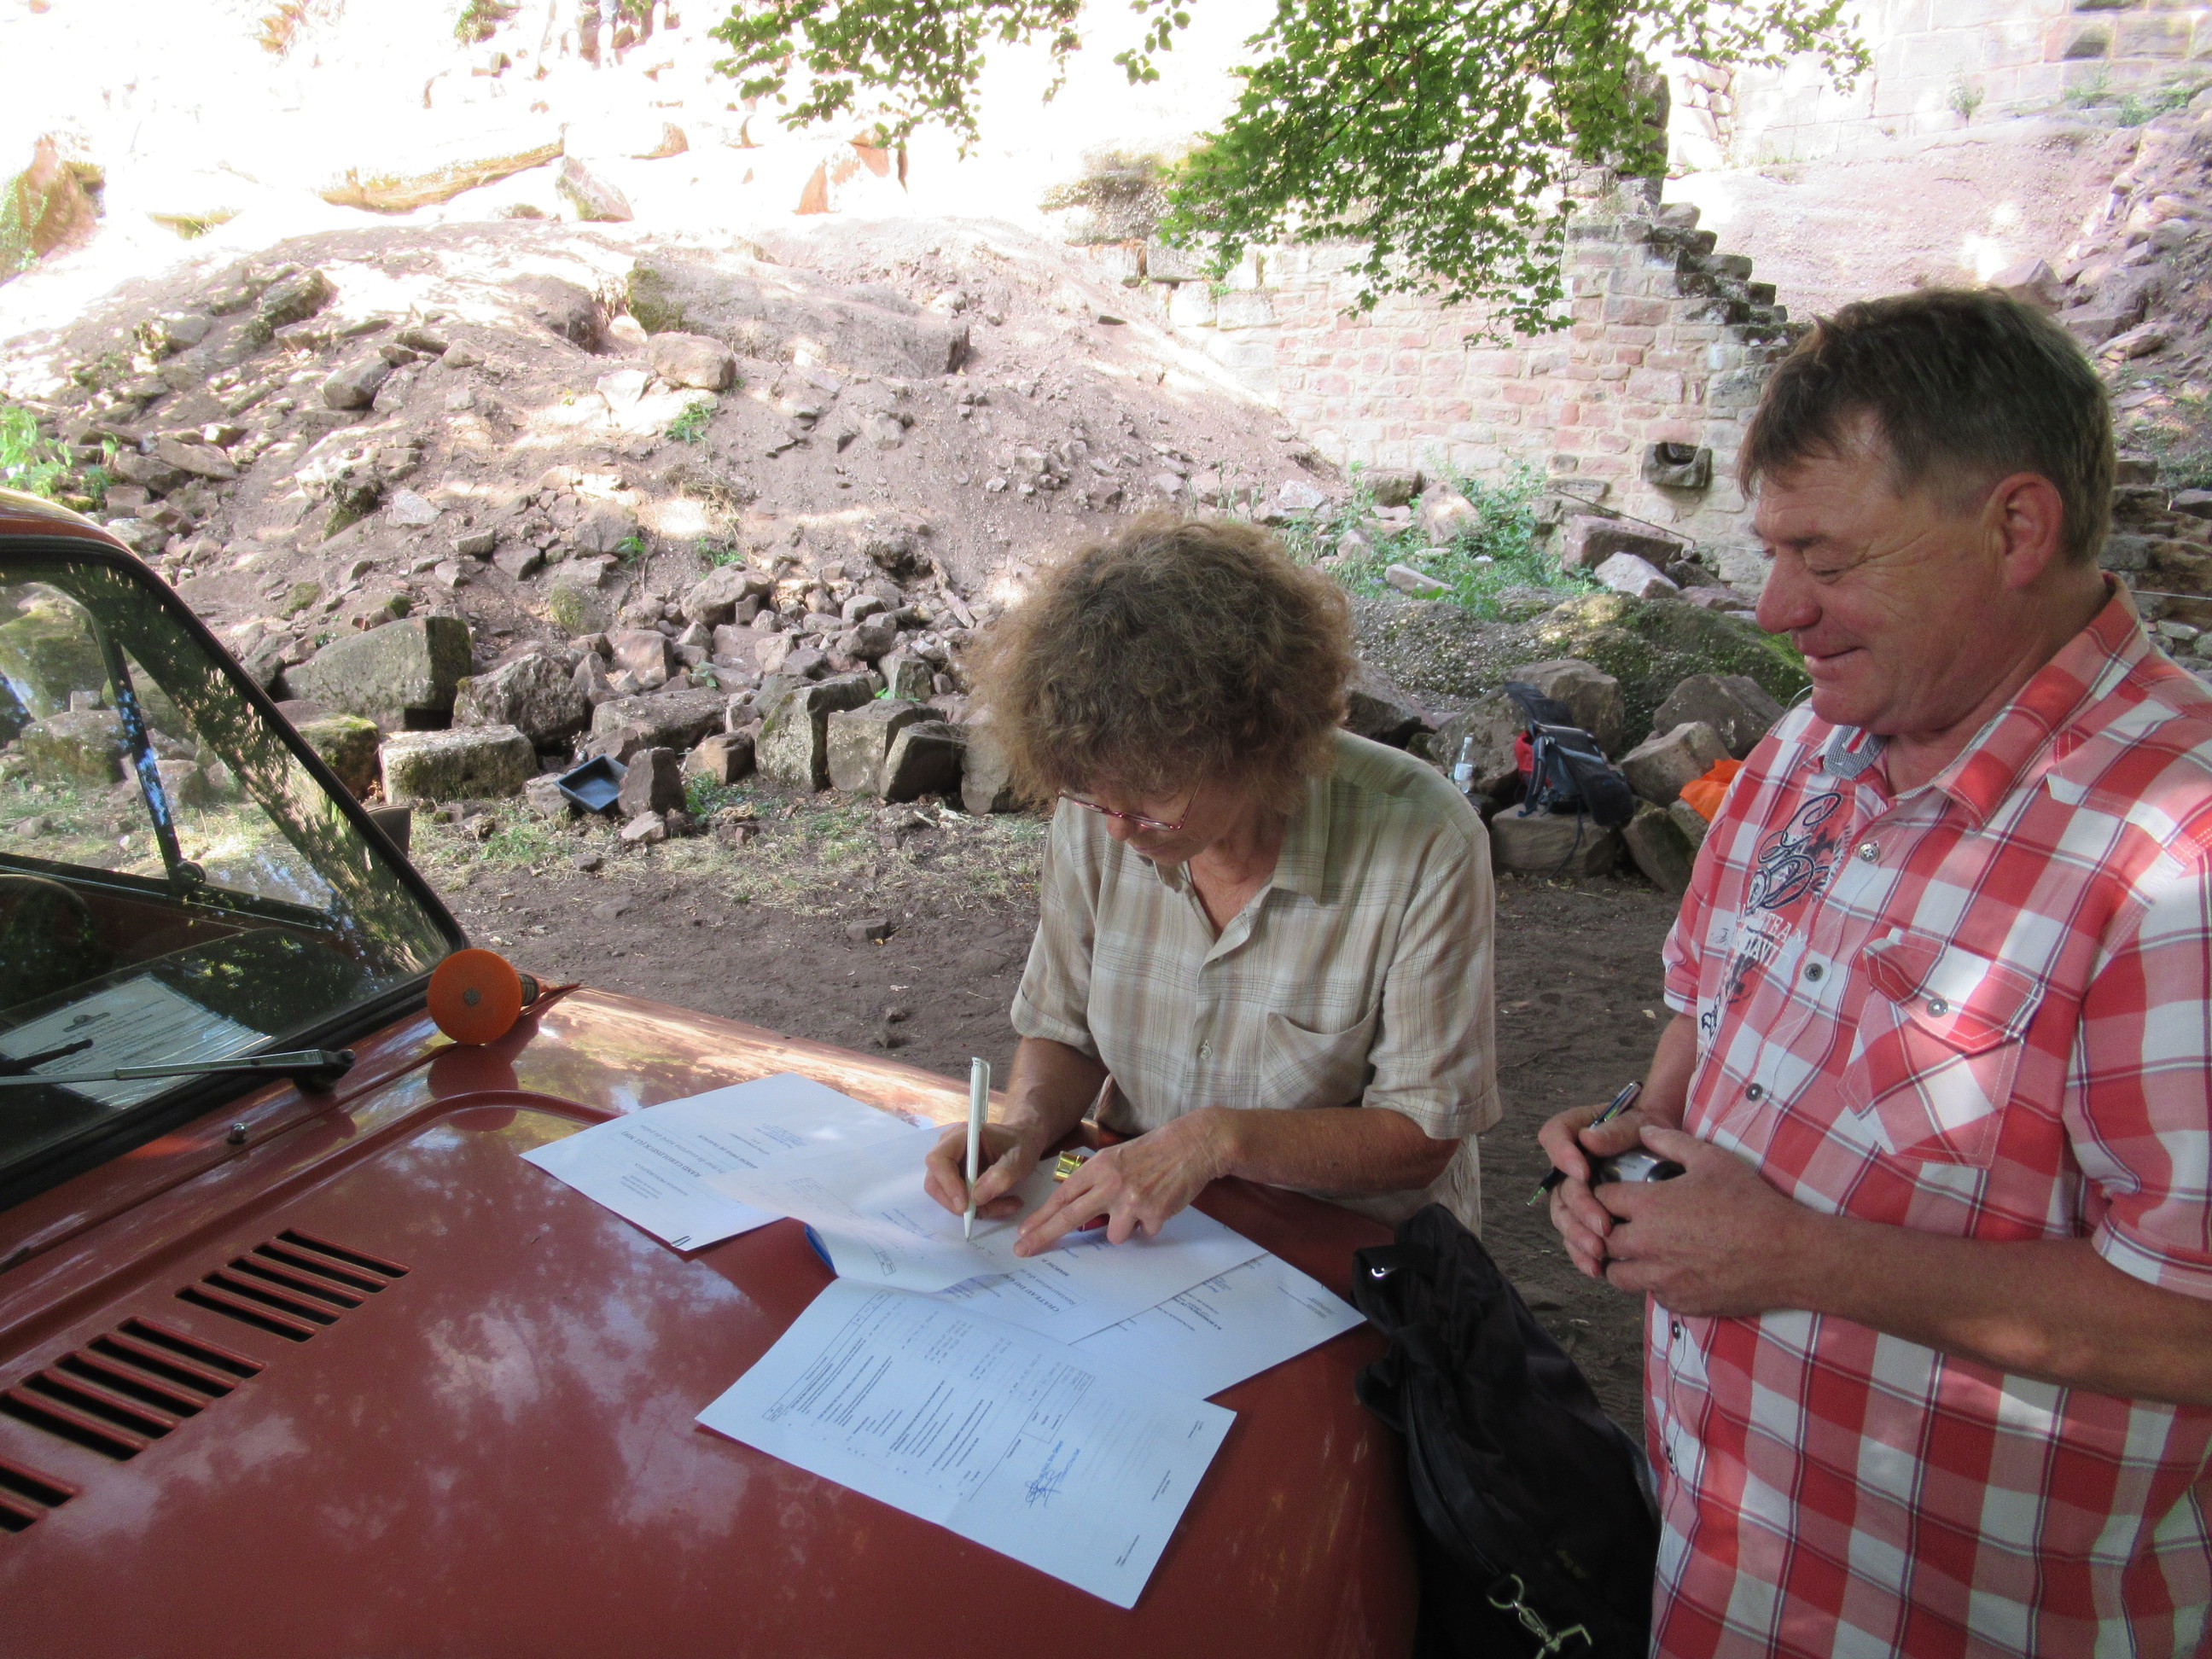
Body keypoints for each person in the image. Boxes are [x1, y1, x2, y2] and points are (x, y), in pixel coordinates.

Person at [1540, 288, 2212, 1656]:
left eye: (1826, 558)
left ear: (2016, 529)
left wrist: (1801, 1259)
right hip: (1727, 1561)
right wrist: (1639, 1132)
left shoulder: (2175, 850)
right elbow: (1708, 994)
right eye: (1772, 552)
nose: (1777, 608)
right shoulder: (1814, 744)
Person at [923, 515, 1497, 1253]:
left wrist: (1217, 1142)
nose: (1118, 832)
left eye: (1153, 799)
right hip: (1147, 1235)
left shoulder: (1424, 844)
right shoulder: (1103, 811)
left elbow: (1422, 1134)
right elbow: (1064, 1031)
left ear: (1256, 743)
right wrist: (1024, 1128)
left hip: (1346, 1252)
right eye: (1097, 798)